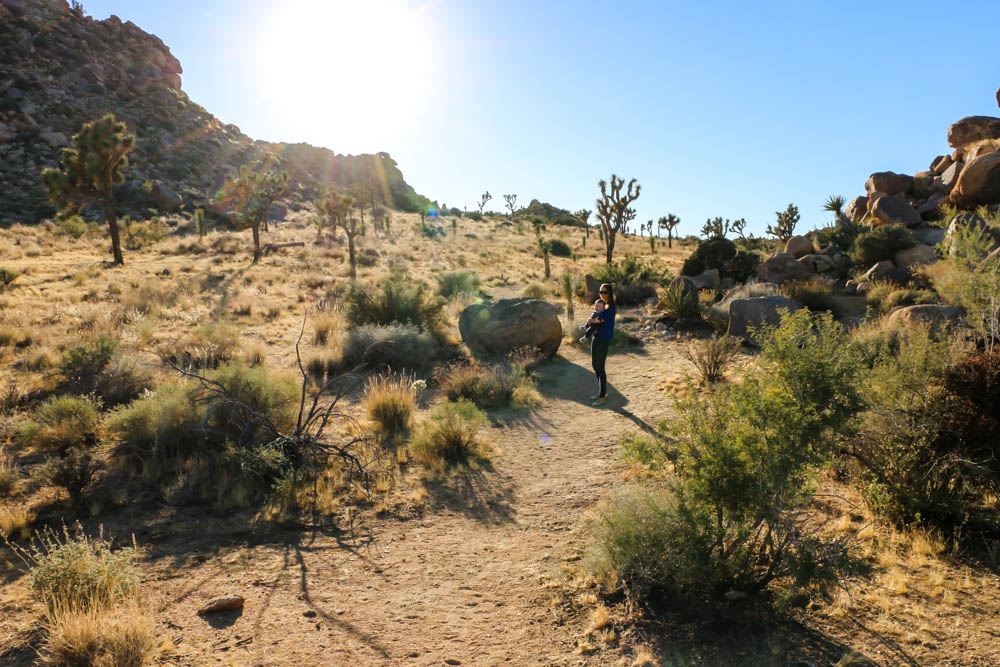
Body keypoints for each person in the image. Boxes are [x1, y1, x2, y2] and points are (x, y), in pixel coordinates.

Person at [589, 283, 616, 405]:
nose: (602, 295)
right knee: (595, 364)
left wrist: (591, 321)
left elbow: (602, 320)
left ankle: (602, 396)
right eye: (601, 292)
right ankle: (601, 391)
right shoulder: (603, 306)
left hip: (604, 338)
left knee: (600, 366)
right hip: (596, 336)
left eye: (604, 292)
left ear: (609, 293)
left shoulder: (611, 306)